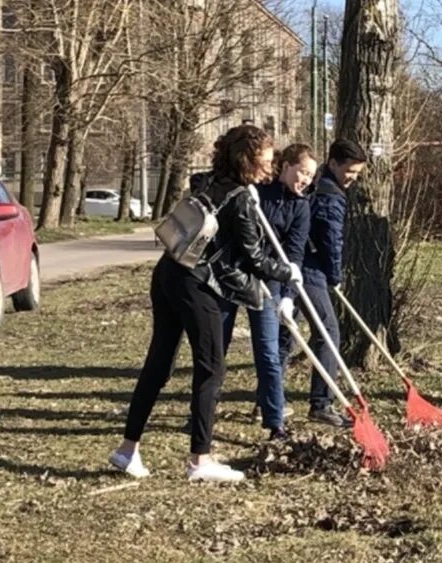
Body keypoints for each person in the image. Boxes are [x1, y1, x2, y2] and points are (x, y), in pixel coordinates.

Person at [109, 125, 302, 482]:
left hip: (168, 272)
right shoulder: (241, 199)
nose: (269, 169)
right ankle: (201, 460)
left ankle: (127, 450)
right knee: (211, 367)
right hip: (196, 285)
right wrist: (288, 271)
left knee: (159, 364)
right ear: (246, 160)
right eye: (265, 162)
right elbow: (255, 259)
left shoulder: (205, 182)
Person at [221, 144, 316, 441]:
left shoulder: (301, 206)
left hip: (271, 282)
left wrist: (288, 295)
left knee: (268, 351)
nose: (306, 180)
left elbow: (294, 253)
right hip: (235, 275)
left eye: (311, 176)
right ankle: (201, 412)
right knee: (215, 348)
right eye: (302, 171)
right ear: (285, 166)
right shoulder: (258, 191)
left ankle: (274, 421)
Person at [279, 139, 367, 427]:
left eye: (357, 174)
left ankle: (270, 399)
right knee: (328, 332)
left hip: (292, 263)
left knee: (286, 332)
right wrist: (335, 275)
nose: (352, 179)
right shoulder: (331, 196)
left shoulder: (314, 184)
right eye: (349, 172)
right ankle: (321, 403)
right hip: (310, 269)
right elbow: (331, 240)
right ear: (332, 164)